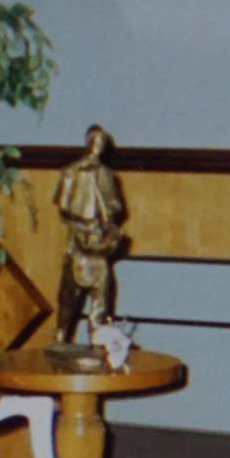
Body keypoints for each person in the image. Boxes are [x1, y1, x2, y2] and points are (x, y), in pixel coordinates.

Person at [54, 123, 127, 342]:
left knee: (100, 303)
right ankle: (60, 337)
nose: (98, 147)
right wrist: (82, 223)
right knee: (68, 303)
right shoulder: (71, 173)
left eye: (101, 144)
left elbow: (115, 206)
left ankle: (98, 341)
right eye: (95, 142)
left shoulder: (106, 174)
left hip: (99, 245)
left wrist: (107, 219)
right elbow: (64, 208)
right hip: (78, 246)